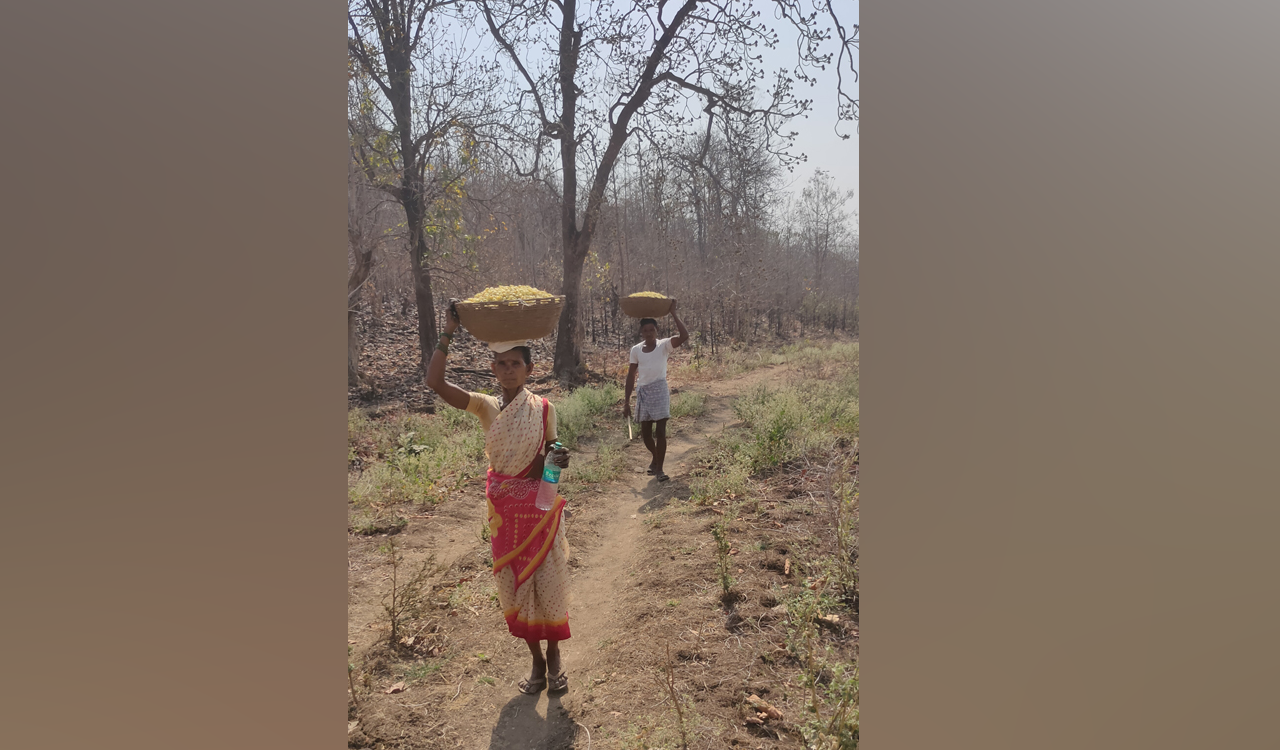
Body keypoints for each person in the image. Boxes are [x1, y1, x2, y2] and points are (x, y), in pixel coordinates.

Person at [426, 301, 573, 695]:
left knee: (547, 579)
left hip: (540, 508)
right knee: (515, 583)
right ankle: (537, 662)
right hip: (505, 513)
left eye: (516, 364)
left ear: (529, 369)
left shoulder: (543, 407)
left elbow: (550, 442)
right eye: (502, 364)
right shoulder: (485, 406)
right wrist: (448, 333)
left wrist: (558, 451)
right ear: (493, 369)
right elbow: (435, 384)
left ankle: (555, 655)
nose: (509, 370)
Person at [623, 299, 689, 482]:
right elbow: (630, 376)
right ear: (641, 332)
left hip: (659, 390)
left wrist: (674, 313)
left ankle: (660, 469)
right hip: (643, 392)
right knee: (645, 434)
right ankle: (655, 456)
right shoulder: (636, 350)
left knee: (660, 431)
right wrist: (626, 401)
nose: (649, 333)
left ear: (656, 331)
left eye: (652, 330)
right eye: (645, 330)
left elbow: (684, 336)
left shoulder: (664, 345)